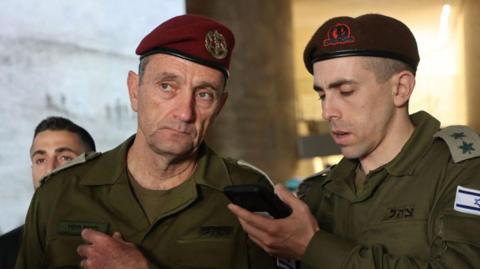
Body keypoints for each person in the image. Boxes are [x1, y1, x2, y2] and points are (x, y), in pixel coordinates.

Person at [16, 15, 278, 269]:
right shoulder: (59, 193)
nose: (185, 112)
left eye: (204, 94)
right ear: (134, 91)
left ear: (219, 107)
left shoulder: (248, 196)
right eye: (167, 86)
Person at [229, 13, 480, 268]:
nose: (327, 112)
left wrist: (312, 246)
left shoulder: (461, 173)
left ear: (401, 88)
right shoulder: (318, 192)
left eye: (346, 91)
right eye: (322, 95)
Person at [0, 116, 96, 269]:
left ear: (93, 167)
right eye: (40, 160)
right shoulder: (4, 250)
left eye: (65, 158)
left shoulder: (116, 242)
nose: (50, 169)